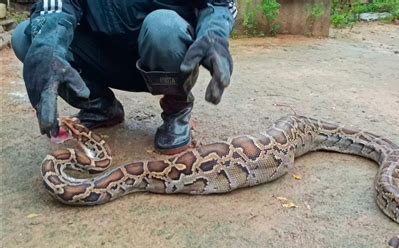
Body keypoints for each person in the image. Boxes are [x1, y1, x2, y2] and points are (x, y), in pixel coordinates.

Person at [12, 0, 237, 154]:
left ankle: (176, 106)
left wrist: (214, 34)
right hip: (101, 57)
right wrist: (47, 52)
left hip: (164, 56)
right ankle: (99, 106)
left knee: (163, 26)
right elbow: (54, 7)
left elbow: (218, 4)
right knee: (30, 39)